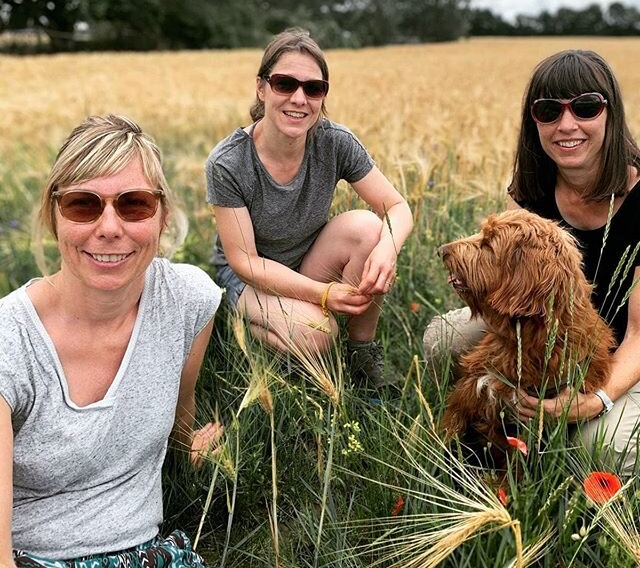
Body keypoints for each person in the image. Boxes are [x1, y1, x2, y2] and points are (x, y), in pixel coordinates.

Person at [0, 115, 223, 567]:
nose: (108, 227)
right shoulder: (10, 341)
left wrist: (192, 446)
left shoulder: (188, 302)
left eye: (134, 204)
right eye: (83, 205)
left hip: (149, 556)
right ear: (52, 216)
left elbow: (180, 415)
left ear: (162, 217)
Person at [424, 49, 640, 473]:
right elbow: (503, 276)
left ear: (610, 113)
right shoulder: (532, 185)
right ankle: (477, 430)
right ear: (533, 121)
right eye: (548, 110)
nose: (566, 125)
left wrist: (593, 400)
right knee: (441, 341)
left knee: (604, 446)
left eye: (585, 107)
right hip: (536, 326)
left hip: (622, 353)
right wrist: (476, 284)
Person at [206, 28, 413, 387]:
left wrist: (387, 250)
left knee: (370, 229)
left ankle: (360, 355)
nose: (299, 98)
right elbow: (246, 262)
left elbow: (397, 207)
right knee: (318, 332)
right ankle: (248, 329)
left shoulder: (335, 142)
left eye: (313, 88)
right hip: (250, 278)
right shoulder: (229, 163)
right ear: (262, 88)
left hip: (309, 260)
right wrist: (323, 295)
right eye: (285, 84)